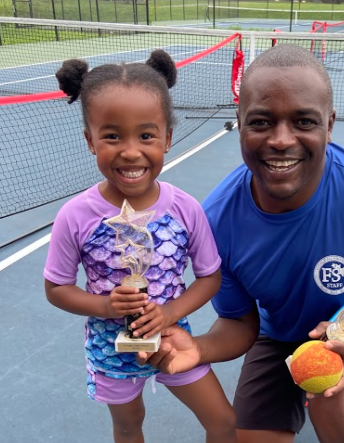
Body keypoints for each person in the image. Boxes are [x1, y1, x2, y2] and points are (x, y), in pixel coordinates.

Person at [137, 43, 344, 443]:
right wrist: (198, 349)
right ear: (240, 122)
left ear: (330, 124)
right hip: (277, 335)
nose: (281, 140)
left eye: (304, 121)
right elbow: (240, 322)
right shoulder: (216, 221)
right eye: (261, 122)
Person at [43, 50, 236, 443]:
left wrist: (169, 313)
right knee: (129, 426)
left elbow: (210, 277)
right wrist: (105, 306)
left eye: (146, 135)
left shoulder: (186, 209)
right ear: (90, 140)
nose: (130, 151)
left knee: (224, 422)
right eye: (112, 136)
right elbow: (57, 288)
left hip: (173, 341)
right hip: (111, 351)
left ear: (167, 138)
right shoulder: (74, 216)